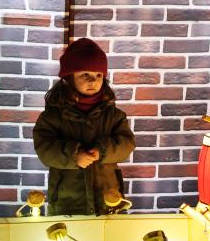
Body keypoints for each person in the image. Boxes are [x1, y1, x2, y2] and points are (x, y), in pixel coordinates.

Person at [32, 38, 135, 216]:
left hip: (107, 197)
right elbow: (44, 148)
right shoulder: (53, 116)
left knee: (109, 232)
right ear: (69, 77)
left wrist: (102, 151)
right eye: (85, 75)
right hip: (68, 199)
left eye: (98, 75)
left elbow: (126, 144)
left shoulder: (114, 115)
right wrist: (73, 156)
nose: (93, 80)